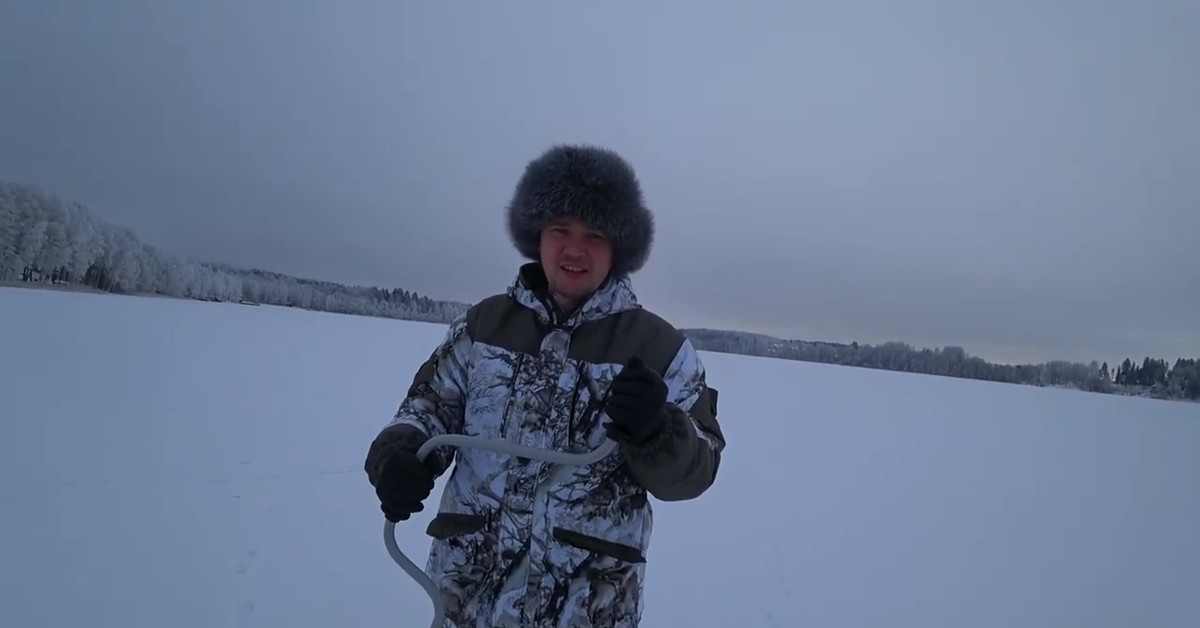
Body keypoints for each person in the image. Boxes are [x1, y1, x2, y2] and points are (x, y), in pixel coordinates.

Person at [364, 144, 726, 627]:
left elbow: (699, 470)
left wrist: (658, 431)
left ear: (618, 248)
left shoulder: (660, 348)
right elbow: (426, 409)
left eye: (594, 235)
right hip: (466, 603)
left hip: (584, 610)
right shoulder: (483, 325)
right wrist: (398, 458)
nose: (574, 250)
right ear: (536, 235)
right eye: (561, 230)